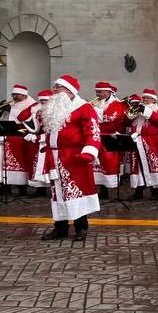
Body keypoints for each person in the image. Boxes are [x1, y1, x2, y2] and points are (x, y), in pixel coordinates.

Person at [39, 75, 101, 241]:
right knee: (57, 193)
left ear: (69, 90)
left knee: (77, 191)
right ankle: (60, 227)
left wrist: (89, 152)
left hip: (74, 157)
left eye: (58, 87)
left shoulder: (83, 108)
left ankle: (81, 227)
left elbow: (93, 131)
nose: (54, 90)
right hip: (55, 156)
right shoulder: (56, 108)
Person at [0, 84, 37, 195]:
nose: (14, 97)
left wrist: (11, 110)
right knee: (5, 162)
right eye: (13, 94)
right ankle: (5, 186)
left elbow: (27, 118)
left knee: (21, 162)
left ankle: (22, 188)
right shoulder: (11, 104)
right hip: (8, 137)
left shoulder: (32, 104)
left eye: (17, 94)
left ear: (24, 95)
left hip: (22, 137)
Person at [127, 88, 158, 200]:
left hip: (151, 141)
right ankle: (138, 190)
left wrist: (145, 111)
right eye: (143, 97)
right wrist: (134, 112)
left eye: (147, 98)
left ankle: (155, 191)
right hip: (136, 140)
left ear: (153, 100)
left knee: (153, 164)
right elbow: (128, 120)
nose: (144, 99)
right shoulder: (139, 108)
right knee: (137, 165)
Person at [91, 81, 124, 199]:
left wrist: (93, 110)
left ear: (107, 92)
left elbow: (109, 118)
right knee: (98, 163)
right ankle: (101, 190)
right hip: (99, 136)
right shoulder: (98, 102)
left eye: (99, 92)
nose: (97, 94)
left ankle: (109, 190)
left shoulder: (117, 104)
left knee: (108, 163)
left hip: (110, 137)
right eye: (96, 92)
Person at [25, 89, 52, 197]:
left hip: (49, 139)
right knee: (37, 165)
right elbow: (36, 128)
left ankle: (51, 188)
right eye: (41, 101)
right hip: (40, 139)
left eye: (45, 100)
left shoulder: (55, 111)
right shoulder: (37, 110)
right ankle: (40, 189)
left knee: (49, 165)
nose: (43, 103)